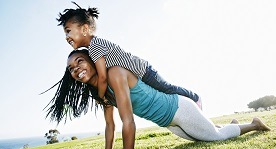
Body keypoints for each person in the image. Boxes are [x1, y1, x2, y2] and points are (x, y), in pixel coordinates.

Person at [45, 49, 271, 149]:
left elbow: (128, 122)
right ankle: (230, 125)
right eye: (72, 68)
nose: (76, 69)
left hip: (179, 108)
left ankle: (254, 123)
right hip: (170, 122)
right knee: (204, 137)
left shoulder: (114, 73)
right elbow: (110, 126)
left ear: (94, 61)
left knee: (214, 138)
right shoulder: (101, 92)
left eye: (80, 61)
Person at [56, 2, 203, 110]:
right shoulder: (94, 46)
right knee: (163, 93)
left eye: (68, 31)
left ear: (84, 29)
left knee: (167, 89)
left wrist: (101, 97)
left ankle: (194, 97)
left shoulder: (95, 47)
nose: (66, 37)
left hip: (143, 71)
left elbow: (102, 77)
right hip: (137, 74)